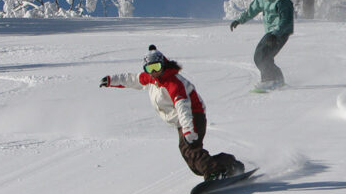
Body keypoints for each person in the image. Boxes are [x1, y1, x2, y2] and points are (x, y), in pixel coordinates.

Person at [100, 45, 244, 181]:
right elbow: (131, 79)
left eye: (156, 67)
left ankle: (215, 172)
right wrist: (111, 80)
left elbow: (183, 107)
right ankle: (228, 163)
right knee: (192, 161)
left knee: (191, 151)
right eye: (149, 69)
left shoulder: (173, 84)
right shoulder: (150, 79)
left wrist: (188, 130)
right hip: (181, 121)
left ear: (163, 65)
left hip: (193, 116)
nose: (154, 72)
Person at [229, 0, 295, 90]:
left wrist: (276, 34)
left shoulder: (282, 1)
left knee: (263, 56)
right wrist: (239, 20)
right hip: (270, 33)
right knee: (259, 56)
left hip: (281, 33)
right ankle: (277, 79)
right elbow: (251, 11)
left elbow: (286, 20)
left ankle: (269, 80)